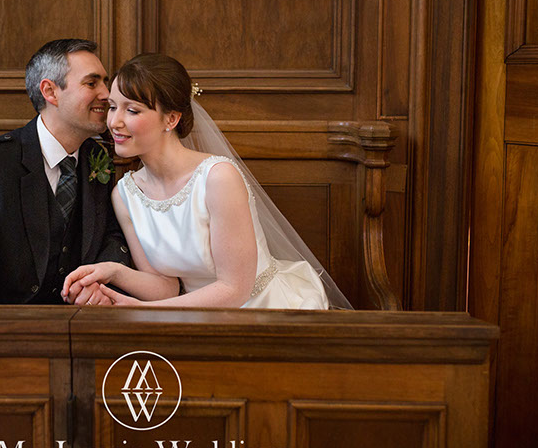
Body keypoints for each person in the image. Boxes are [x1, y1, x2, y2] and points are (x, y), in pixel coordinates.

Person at [62, 53, 351, 309]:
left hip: (261, 310)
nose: (115, 122)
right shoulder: (125, 192)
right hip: (190, 312)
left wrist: (143, 310)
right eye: (112, 107)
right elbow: (166, 287)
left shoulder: (217, 178)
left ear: (170, 119)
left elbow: (234, 290)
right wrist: (112, 271)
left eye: (132, 110)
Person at [0, 39, 130, 304]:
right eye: (92, 83)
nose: (107, 94)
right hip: (3, 326)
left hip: (78, 323)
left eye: (105, 82)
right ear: (50, 91)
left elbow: (111, 235)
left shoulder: (98, 157)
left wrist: (99, 283)